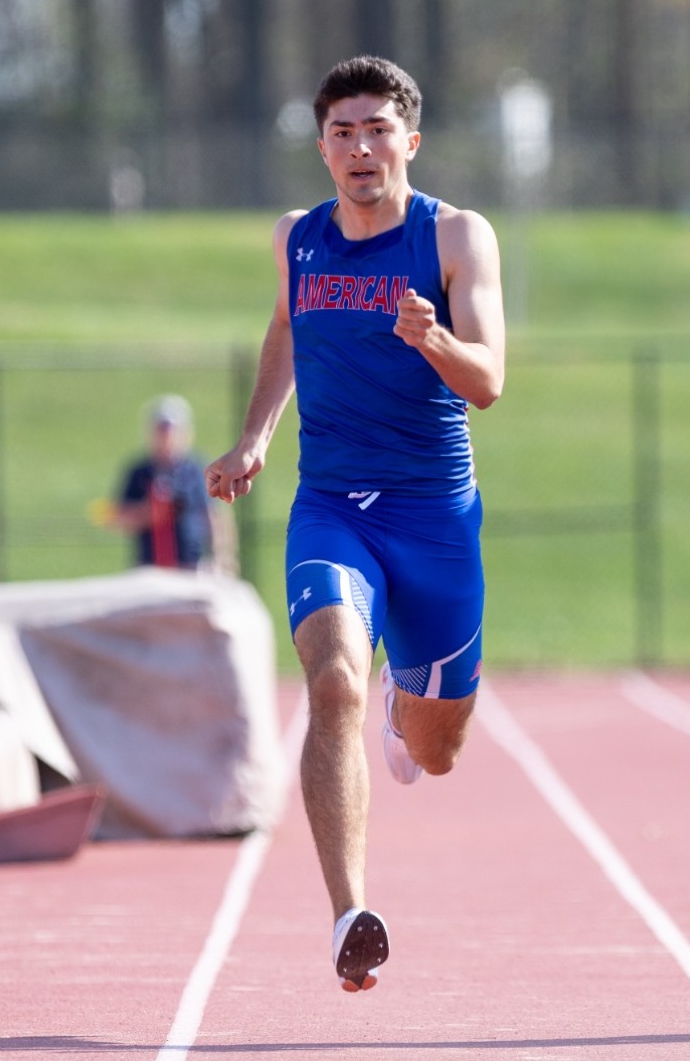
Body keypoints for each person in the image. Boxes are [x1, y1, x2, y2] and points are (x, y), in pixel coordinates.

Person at [205, 55, 504, 993]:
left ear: (409, 142)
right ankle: (350, 912)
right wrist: (254, 436)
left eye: (378, 130)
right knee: (330, 680)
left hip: (435, 517)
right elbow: (287, 330)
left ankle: (406, 710)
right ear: (323, 147)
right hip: (332, 508)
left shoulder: (454, 236)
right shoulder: (298, 238)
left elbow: (488, 381)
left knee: (438, 751)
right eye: (343, 132)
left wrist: (435, 338)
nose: (361, 148)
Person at [115, 395, 218, 571]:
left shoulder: (196, 469)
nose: (167, 436)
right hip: (149, 565)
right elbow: (120, 517)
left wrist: (220, 558)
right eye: (161, 430)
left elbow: (212, 514)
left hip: (190, 563)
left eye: (171, 430)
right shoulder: (140, 471)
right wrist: (150, 512)